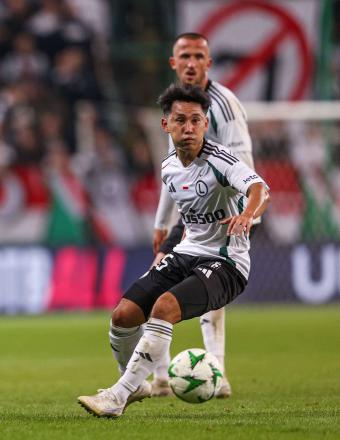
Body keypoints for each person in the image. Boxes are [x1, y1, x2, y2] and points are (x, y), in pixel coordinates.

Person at [77, 84, 269, 418]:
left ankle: (117, 397)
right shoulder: (169, 169)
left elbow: (259, 188)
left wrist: (247, 214)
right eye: (181, 120)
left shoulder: (221, 161)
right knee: (123, 315)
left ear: (205, 125)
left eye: (196, 120)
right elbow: (187, 216)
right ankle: (135, 382)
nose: (189, 127)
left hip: (226, 263)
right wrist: (167, 244)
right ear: (166, 125)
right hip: (187, 252)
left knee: (164, 307)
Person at [150, 33, 256, 398]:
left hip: (228, 212)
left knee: (193, 287)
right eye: (185, 56)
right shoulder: (178, 106)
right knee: (175, 285)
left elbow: (244, 167)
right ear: (174, 63)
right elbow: (173, 170)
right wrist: (161, 222)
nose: (192, 63)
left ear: (209, 63)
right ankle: (174, 377)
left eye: (199, 56)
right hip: (192, 210)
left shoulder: (223, 105)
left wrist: (243, 217)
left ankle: (183, 376)